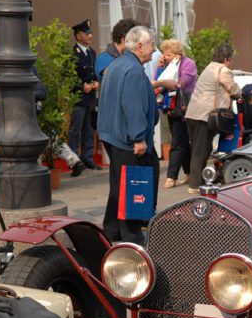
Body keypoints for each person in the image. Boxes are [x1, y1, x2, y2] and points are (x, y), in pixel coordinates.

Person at [97, 26, 159, 245]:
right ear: (140, 46)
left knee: (119, 184)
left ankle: (112, 229)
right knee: (133, 185)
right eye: (152, 44)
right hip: (127, 138)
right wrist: (139, 138)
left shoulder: (116, 64)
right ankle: (131, 234)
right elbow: (132, 106)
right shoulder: (132, 69)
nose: (154, 49)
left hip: (112, 134)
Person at [184, 44, 241, 193]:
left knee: (199, 149)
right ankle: (195, 186)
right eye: (231, 59)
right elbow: (233, 89)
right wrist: (241, 93)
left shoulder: (209, 67)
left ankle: (198, 180)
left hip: (193, 113)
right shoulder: (223, 70)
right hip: (205, 115)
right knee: (201, 151)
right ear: (226, 59)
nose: (232, 63)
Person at [152, 39, 197, 189]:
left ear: (178, 54)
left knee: (177, 142)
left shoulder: (188, 64)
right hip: (171, 108)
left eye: (169, 54)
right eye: (165, 54)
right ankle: (191, 173)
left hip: (184, 108)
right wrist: (161, 66)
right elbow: (157, 81)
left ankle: (171, 177)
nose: (166, 57)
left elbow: (181, 83)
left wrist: (173, 67)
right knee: (182, 141)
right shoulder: (166, 65)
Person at [68, 19, 101, 172]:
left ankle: (88, 158)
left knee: (89, 129)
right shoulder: (73, 53)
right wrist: (82, 86)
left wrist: (96, 83)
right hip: (78, 98)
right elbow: (68, 76)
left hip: (90, 98)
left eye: (90, 33)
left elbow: (94, 72)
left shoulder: (92, 52)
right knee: (75, 130)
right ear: (78, 35)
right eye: (86, 34)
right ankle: (75, 161)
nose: (90, 36)